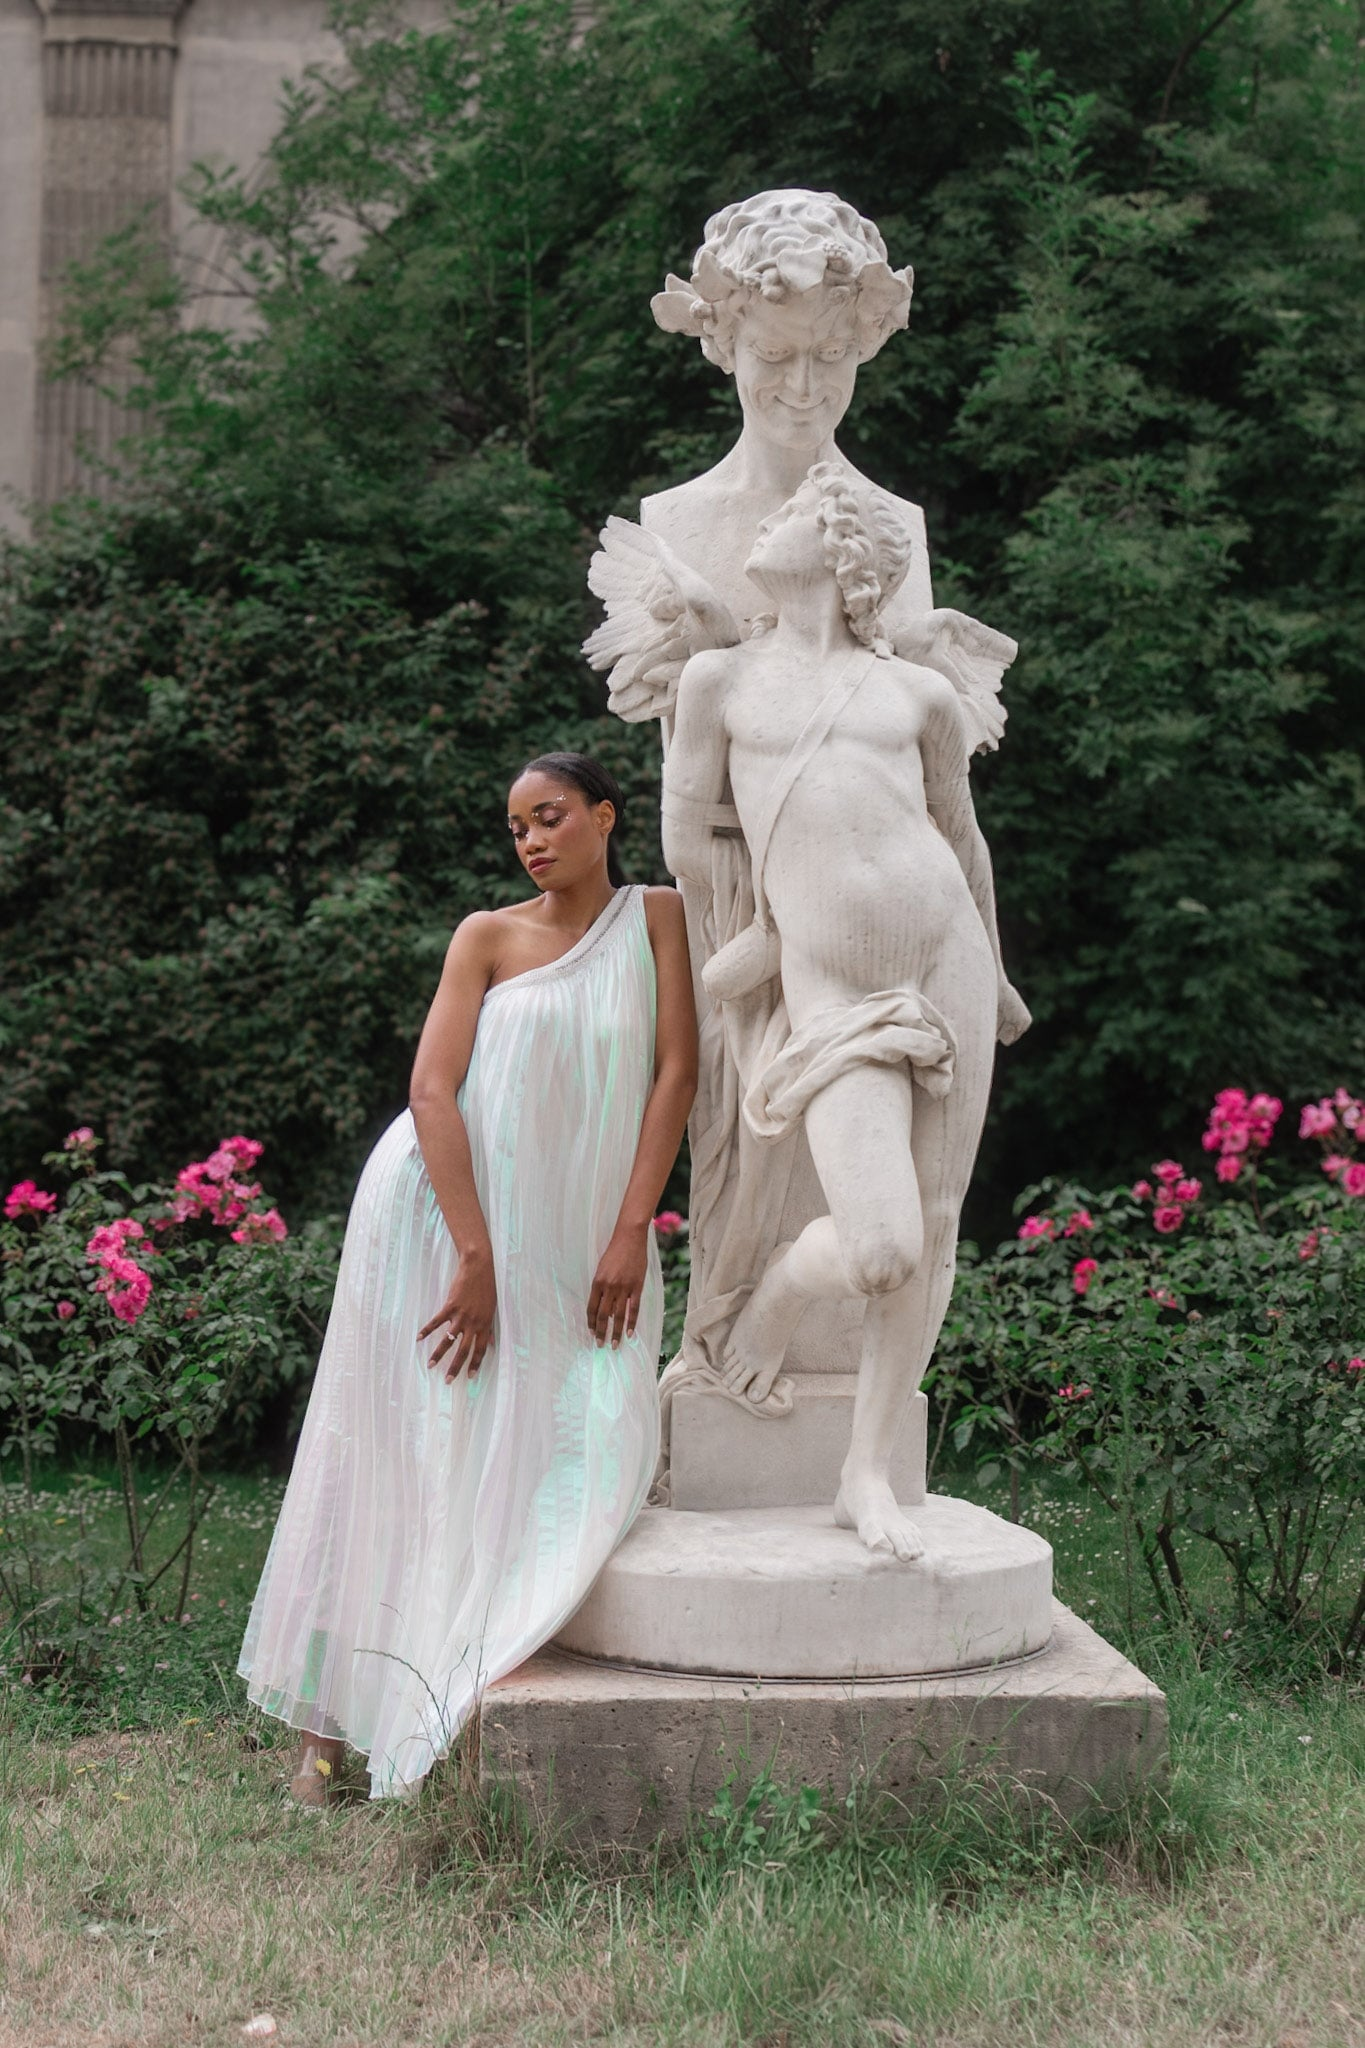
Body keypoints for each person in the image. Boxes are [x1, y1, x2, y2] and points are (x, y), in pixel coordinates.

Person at [238, 754, 697, 1801]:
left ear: (603, 816)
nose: (533, 839)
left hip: (584, 1234)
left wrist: (633, 1228)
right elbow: (432, 1090)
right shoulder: (485, 937)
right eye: (516, 826)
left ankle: (455, 1671)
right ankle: (329, 1731)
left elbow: (678, 1071)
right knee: (404, 1443)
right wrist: (474, 1252)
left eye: (551, 817)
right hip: (440, 1217)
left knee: (590, 1431)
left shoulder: (658, 917)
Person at [662, 465, 1027, 1562]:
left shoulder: (916, 694)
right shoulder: (717, 681)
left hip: (946, 952)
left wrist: (996, 969)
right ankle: (772, 1297)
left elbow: (961, 842)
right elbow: (689, 840)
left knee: (937, 1221)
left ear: (840, 552)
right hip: (826, 981)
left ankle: (864, 1472)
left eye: (784, 517)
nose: (761, 528)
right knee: (879, 1246)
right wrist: (752, 933)